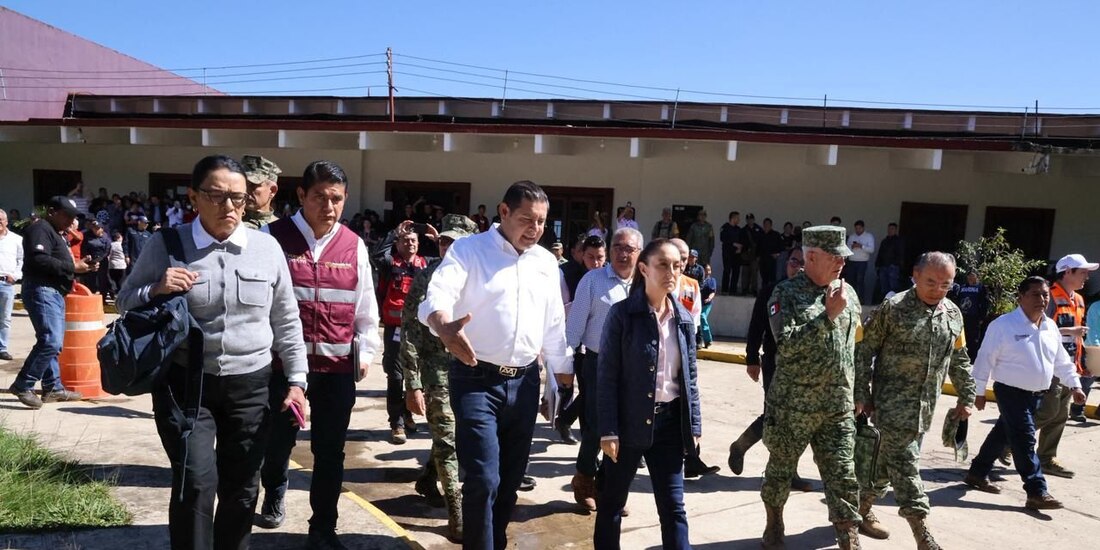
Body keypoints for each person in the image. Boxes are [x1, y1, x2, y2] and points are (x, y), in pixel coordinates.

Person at [117, 155, 309, 550]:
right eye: (217, 196)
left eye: (239, 199)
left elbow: (286, 320)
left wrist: (296, 381)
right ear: (193, 197)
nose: (229, 208)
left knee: (241, 488)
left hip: (251, 385)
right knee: (196, 483)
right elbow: (124, 301)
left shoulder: (267, 249)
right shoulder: (167, 244)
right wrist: (156, 288)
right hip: (188, 385)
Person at [418, 180, 571, 550]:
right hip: (475, 378)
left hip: (524, 383)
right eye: (525, 220)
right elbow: (438, 294)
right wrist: (442, 323)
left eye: (541, 222)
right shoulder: (469, 251)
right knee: (483, 478)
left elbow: (553, 324)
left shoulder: (546, 263)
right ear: (503, 212)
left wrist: (561, 381)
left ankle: (495, 540)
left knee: (509, 479)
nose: (534, 230)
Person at [256, 161, 382, 549]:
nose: (328, 207)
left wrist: (366, 352)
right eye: (319, 197)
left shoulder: (353, 245)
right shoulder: (270, 238)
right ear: (301, 196)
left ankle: (323, 527)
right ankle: (275, 487)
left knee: (330, 450)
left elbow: (366, 310)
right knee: (278, 441)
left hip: (335, 368)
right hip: (280, 368)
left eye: (336, 199)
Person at [854, 252, 976, 548]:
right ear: (916, 275)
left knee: (884, 466)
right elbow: (863, 350)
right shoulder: (893, 308)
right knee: (907, 467)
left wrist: (966, 395)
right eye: (931, 282)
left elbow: (959, 359)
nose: (937, 289)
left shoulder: (952, 314)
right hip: (890, 406)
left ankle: (857, 510)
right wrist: (862, 393)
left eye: (945, 284)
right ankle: (922, 533)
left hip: (925, 409)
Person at [593, 239, 702, 550]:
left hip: (668, 426)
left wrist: (693, 426)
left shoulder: (682, 317)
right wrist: (608, 430)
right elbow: (607, 377)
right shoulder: (623, 315)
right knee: (612, 505)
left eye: (677, 266)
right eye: (663, 265)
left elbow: (690, 378)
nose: (672, 272)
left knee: (673, 508)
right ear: (644, 268)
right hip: (627, 425)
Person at [761, 226, 863, 550]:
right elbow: (786, 347)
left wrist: (860, 391)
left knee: (843, 473)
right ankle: (774, 522)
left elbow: (855, 348)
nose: (842, 263)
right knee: (780, 470)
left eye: (844, 257)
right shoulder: (784, 294)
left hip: (837, 407)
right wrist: (827, 317)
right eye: (835, 256)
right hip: (793, 407)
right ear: (812, 256)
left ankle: (848, 534)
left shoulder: (850, 294)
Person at [964, 276, 1086, 510]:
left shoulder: (1050, 326)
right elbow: (984, 359)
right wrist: (978, 392)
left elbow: (1061, 361)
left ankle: (977, 473)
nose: (1041, 299)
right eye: (1035, 295)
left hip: (1036, 394)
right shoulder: (1003, 325)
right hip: (1009, 391)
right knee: (1024, 438)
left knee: (1003, 434)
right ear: (1020, 298)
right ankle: (1036, 491)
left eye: (1045, 295)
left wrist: (1075, 385)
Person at [401, 214, 478, 542]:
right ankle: (456, 511)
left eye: (456, 243)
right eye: (444, 241)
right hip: (436, 373)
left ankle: (427, 478)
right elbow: (409, 332)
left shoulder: (480, 279)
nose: (448, 248)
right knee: (448, 440)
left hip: (473, 371)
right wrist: (413, 382)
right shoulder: (427, 278)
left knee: (456, 436)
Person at [565, 227, 642, 513]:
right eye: (618, 247)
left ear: (639, 254)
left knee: (625, 429)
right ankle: (583, 480)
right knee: (598, 427)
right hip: (597, 364)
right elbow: (574, 327)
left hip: (634, 369)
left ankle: (610, 488)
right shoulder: (593, 281)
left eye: (629, 249)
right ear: (610, 251)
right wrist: (565, 369)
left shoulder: (644, 284)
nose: (623, 254)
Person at [728, 248, 814, 491]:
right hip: (775, 362)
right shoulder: (771, 290)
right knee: (774, 415)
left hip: (803, 367)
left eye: (802, 263)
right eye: (793, 262)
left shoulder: (813, 294)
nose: (797, 267)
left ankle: (790, 471)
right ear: (787, 264)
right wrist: (752, 358)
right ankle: (741, 446)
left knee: (797, 420)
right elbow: (756, 326)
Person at [8, 196, 93, 408]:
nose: (71, 221)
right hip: (42, 290)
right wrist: (73, 268)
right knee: (50, 341)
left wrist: (80, 266)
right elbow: (38, 259)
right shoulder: (41, 228)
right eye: (67, 216)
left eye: (74, 217)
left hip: (53, 291)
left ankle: (52, 387)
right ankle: (23, 384)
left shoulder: (55, 233)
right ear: (52, 211)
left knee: (54, 343)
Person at [372, 220, 434, 443]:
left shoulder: (427, 264)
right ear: (398, 244)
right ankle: (396, 423)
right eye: (405, 240)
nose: (410, 244)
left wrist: (437, 240)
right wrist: (393, 231)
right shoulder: (390, 264)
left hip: (421, 332)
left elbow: (451, 262)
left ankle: (408, 415)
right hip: (395, 331)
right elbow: (377, 254)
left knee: (416, 377)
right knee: (396, 377)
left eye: (414, 241)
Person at [1035, 254, 1096, 469]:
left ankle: (1046, 457)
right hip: (1051, 366)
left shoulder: (1078, 300)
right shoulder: (1048, 297)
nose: (1086, 277)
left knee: (1061, 415)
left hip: (1070, 367)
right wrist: (1072, 330)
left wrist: (1082, 365)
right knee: (1048, 412)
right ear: (1067, 272)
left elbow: (1078, 339)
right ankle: (1006, 441)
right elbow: (1039, 330)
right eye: (1083, 272)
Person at [669, 238, 719, 478]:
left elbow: (695, 317)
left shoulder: (691, 285)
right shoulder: (656, 282)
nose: (681, 259)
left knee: (689, 401)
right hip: (662, 353)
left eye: (685, 255)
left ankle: (692, 456)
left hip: (685, 348)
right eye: (677, 253)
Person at [0, 209, 24, 361]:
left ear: (6, 221)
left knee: (4, 319)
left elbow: (21, 261)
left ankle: (2, 348)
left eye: (0, 220)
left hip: (6, 283)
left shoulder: (16, 239)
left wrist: (15, 276)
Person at [951, 271, 989, 362]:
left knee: (973, 339)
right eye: (969, 277)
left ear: (976, 277)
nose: (971, 279)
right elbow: (957, 300)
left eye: (973, 277)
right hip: (963, 316)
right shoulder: (962, 287)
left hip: (974, 317)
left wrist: (981, 317)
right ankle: (960, 357)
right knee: (962, 337)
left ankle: (972, 359)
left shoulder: (981, 288)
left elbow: (985, 303)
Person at [241, 155, 282, 230]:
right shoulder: (231, 224)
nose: (246, 191)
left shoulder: (282, 228)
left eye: (253, 185)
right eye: (243, 184)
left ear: (272, 190)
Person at [844, 220, 875, 304]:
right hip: (852, 261)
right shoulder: (852, 236)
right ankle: (850, 300)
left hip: (862, 262)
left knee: (860, 281)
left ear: (863, 228)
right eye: (856, 228)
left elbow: (871, 249)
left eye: (859, 228)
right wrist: (852, 246)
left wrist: (861, 246)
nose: (857, 230)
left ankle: (861, 301)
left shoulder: (869, 236)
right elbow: (846, 249)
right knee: (851, 281)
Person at [80, 219, 111, 295]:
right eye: (94, 228)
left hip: (102, 260)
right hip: (90, 260)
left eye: (98, 228)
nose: (96, 230)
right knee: (91, 280)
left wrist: (101, 258)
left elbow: (107, 249)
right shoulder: (86, 235)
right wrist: (87, 257)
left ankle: (103, 296)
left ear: (102, 228)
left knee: (103, 279)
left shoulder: (105, 236)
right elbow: (83, 247)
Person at [875, 223, 904, 302]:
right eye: (889, 229)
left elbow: (901, 254)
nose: (890, 230)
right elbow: (880, 253)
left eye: (892, 229)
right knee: (883, 287)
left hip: (893, 267)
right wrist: (877, 264)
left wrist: (896, 264)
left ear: (895, 230)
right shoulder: (884, 241)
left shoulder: (899, 241)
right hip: (883, 266)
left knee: (893, 287)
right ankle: (884, 303)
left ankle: (893, 303)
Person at [719, 211, 743, 295]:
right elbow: (723, 238)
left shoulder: (738, 229)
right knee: (727, 270)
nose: (739, 220)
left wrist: (740, 247)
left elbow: (742, 240)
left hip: (736, 254)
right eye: (737, 218)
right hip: (727, 253)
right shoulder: (725, 227)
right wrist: (733, 244)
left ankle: (733, 290)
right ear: (733, 218)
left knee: (736, 271)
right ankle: (725, 290)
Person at [740, 214, 762, 296]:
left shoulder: (759, 230)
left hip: (755, 255)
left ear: (754, 219)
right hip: (745, 255)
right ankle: (744, 289)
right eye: (748, 219)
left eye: (751, 219)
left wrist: (759, 255)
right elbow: (741, 242)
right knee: (745, 272)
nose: (750, 221)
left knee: (754, 273)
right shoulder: (743, 230)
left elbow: (761, 243)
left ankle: (754, 290)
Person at [758, 218, 784, 288]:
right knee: (764, 278)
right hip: (763, 259)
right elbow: (757, 247)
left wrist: (777, 254)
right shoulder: (760, 235)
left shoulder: (776, 235)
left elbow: (781, 247)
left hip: (772, 260)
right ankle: (763, 293)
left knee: (772, 278)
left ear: (771, 225)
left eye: (768, 224)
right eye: (765, 224)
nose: (766, 225)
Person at [699, 264, 717, 349]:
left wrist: (709, 298)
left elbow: (713, 292)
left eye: (709, 270)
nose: (707, 272)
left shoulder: (712, 280)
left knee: (702, 317)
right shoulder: (699, 280)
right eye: (706, 270)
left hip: (706, 304)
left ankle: (708, 339)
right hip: (698, 304)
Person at [106, 231, 126, 301]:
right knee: (121, 280)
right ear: (119, 238)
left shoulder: (111, 245)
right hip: (122, 265)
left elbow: (109, 254)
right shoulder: (122, 245)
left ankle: (113, 293)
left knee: (113, 279)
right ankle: (120, 294)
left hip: (112, 265)